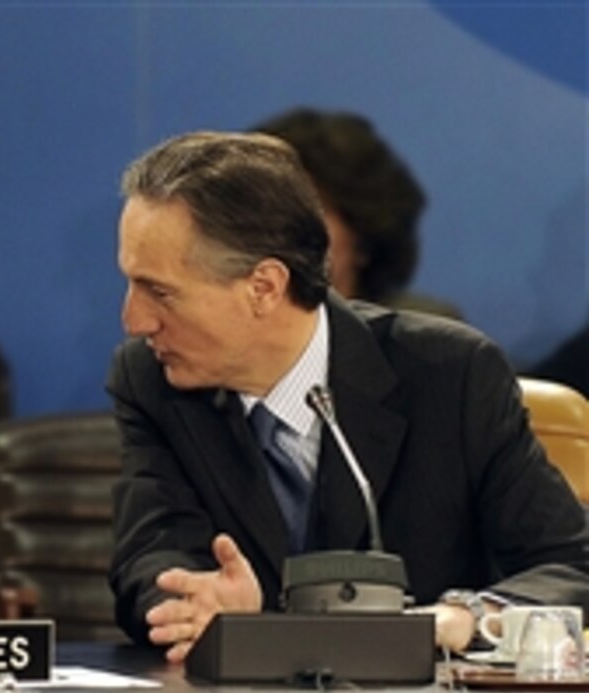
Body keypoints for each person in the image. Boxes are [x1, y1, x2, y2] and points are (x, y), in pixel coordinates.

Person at [107, 131, 589, 663]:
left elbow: (571, 564)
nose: (134, 320)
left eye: (160, 292)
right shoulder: (150, 381)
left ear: (264, 287)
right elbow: (151, 554)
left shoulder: (451, 376)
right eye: (131, 284)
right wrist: (198, 603)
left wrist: (463, 619)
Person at [251, 107, 462, 319]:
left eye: (308, 211)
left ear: (363, 240)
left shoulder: (421, 342)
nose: (280, 232)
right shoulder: (223, 335)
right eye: (265, 210)